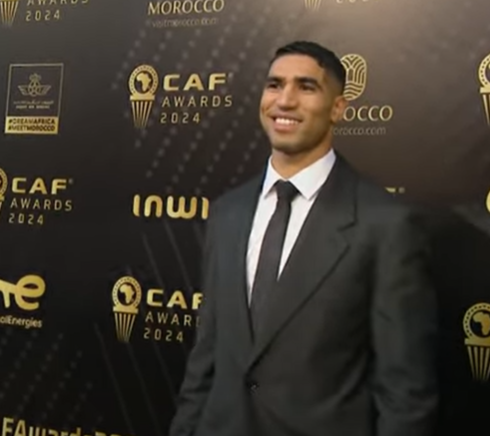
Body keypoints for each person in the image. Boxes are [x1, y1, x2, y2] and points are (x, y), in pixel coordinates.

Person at [169, 40, 439, 436]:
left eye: (306, 87)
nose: (285, 100)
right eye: (274, 85)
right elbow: (206, 356)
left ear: (338, 108)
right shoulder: (227, 213)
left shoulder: (386, 224)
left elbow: (406, 390)